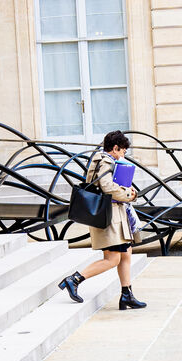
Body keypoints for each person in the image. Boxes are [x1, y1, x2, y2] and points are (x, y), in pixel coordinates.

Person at [59, 130, 148, 311]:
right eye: (122, 151)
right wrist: (128, 194)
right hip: (110, 217)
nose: (123, 155)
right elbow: (107, 187)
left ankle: (126, 295)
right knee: (112, 259)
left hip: (117, 216)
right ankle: (74, 279)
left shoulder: (104, 160)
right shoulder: (106, 161)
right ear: (115, 148)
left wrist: (128, 192)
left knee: (126, 253)